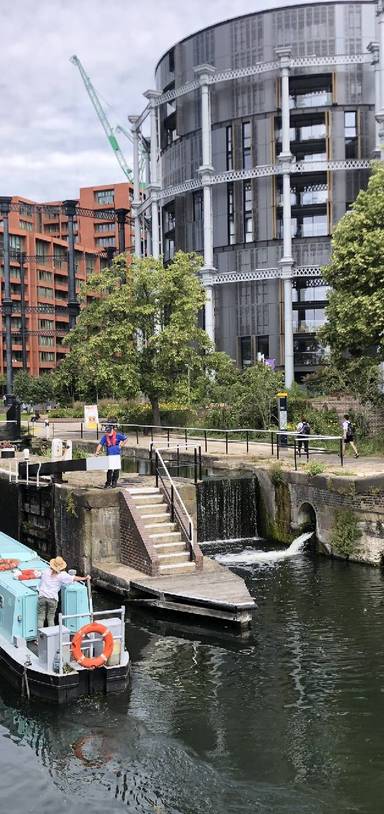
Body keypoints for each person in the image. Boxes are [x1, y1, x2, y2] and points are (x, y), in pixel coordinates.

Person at [37, 556, 90, 630]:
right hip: (52, 598)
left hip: (42, 597)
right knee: (50, 617)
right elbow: (73, 578)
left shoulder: (45, 571)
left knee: (40, 617)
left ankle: (39, 637)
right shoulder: (62, 575)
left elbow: (37, 574)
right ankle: (51, 635)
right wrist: (85, 578)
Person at [95, 422, 128, 488]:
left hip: (116, 455)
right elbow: (100, 444)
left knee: (116, 470)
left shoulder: (118, 435)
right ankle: (108, 483)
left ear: (112, 430)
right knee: (109, 470)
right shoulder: (105, 437)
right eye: (107, 432)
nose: (108, 433)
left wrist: (121, 445)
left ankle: (114, 482)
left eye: (109, 432)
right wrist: (97, 451)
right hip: (109, 455)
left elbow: (126, 439)